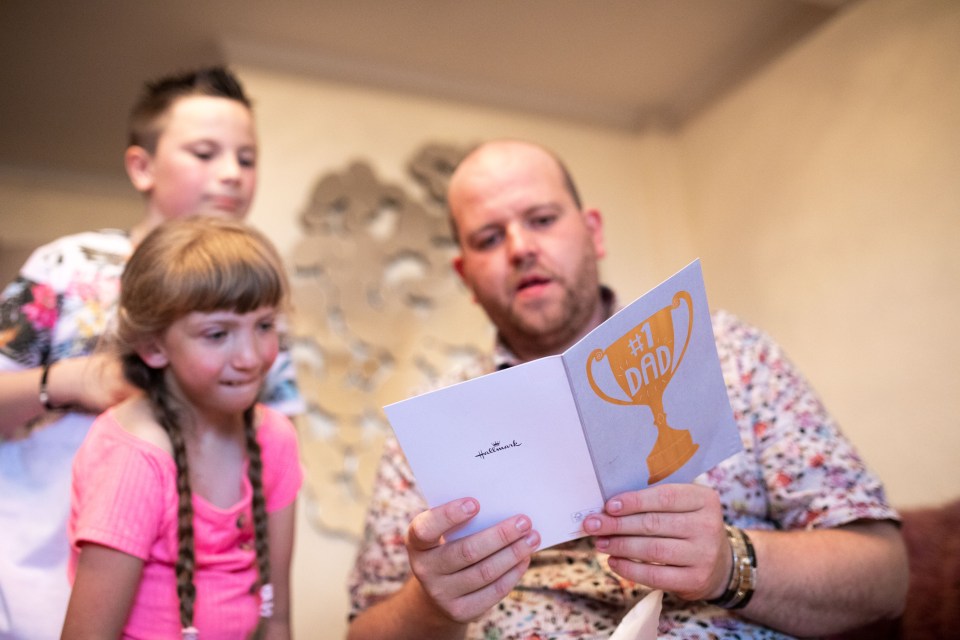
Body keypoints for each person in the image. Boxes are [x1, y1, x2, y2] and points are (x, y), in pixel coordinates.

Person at [347, 139, 908, 639]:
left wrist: (728, 563)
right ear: (465, 275)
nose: (520, 248)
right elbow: (363, 630)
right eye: (490, 238)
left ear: (593, 232)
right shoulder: (434, 427)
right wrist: (433, 606)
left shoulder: (730, 352)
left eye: (541, 219)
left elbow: (886, 579)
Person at [0, 67, 301, 638]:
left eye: (246, 157)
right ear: (142, 166)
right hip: (32, 590)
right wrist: (66, 381)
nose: (232, 174)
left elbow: (267, 463)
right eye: (206, 153)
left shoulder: (250, 299)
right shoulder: (67, 266)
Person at [61, 216, 301, 638]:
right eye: (217, 334)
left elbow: (276, 620)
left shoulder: (274, 438)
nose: (250, 356)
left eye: (264, 326)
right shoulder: (136, 460)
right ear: (153, 346)